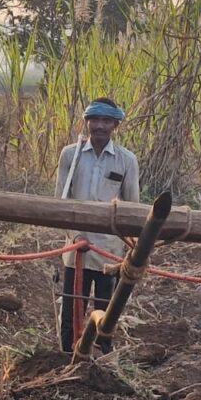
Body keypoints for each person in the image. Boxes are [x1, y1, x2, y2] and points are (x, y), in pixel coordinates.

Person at [55, 98, 140, 353]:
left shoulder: (126, 160)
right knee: (71, 311)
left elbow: (132, 209)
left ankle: (104, 359)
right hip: (76, 251)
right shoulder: (70, 155)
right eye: (95, 120)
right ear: (87, 122)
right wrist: (76, 237)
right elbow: (60, 203)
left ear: (115, 125)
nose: (100, 126)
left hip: (109, 252)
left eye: (106, 121)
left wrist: (132, 248)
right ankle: (67, 358)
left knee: (106, 312)